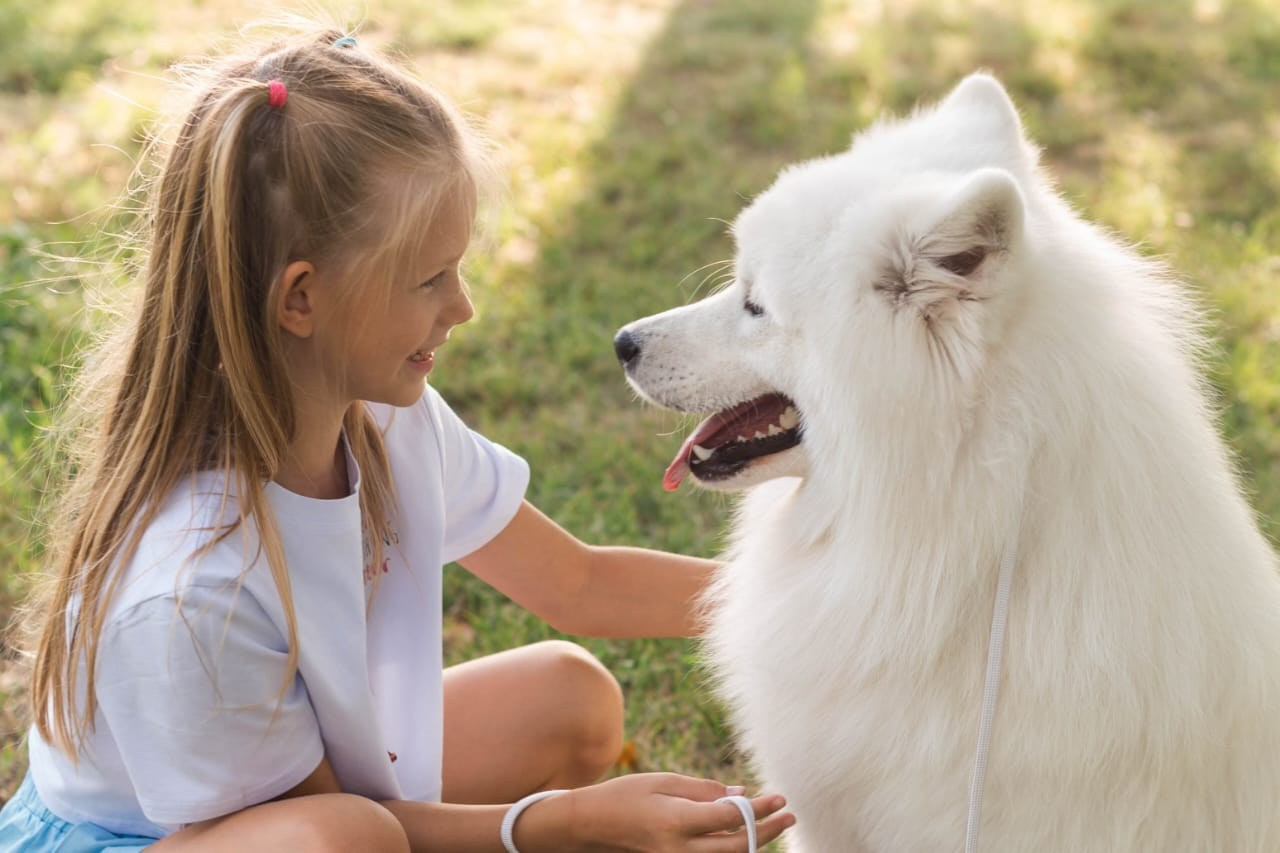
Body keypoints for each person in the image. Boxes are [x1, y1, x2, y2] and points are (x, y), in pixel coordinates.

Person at [0, 24, 794, 853]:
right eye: (429, 279)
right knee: (352, 838)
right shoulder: (195, 586)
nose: (462, 308)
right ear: (301, 299)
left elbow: (580, 581)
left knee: (572, 697)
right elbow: (342, 828)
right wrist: (566, 822)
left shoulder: (385, 416)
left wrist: (812, 602)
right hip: (162, 838)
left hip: (319, 808)